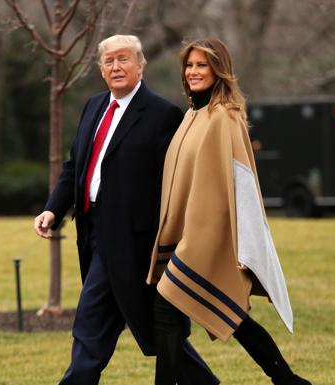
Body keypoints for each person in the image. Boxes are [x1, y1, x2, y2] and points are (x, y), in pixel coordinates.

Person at [34, 35, 219, 385]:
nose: (116, 67)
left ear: (140, 65)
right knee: (153, 325)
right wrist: (53, 210)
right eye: (109, 61)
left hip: (136, 243)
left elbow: (175, 183)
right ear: (101, 69)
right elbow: (76, 167)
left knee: (91, 322)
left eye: (123, 59)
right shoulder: (93, 106)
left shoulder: (163, 114)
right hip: (92, 233)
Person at [147, 37, 312, 385]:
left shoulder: (224, 117)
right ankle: (289, 380)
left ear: (218, 70)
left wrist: (246, 248)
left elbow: (244, 187)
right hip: (186, 236)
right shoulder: (192, 115)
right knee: (230, 316)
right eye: (189, 65)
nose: (193, 72)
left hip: (211, 239)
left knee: (168, 308)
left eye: (201, 65)